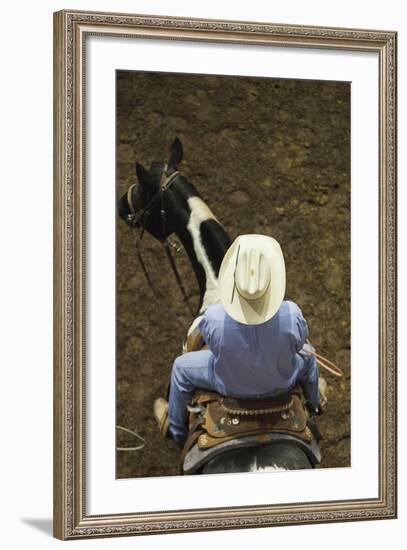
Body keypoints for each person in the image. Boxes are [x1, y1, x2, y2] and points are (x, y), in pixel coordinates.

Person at [154, 234, 320, 447]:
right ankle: (314, 406)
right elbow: (298, 345)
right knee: (310, 356)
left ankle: (176, 430)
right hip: (281, 382)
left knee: (180, 368)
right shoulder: (292, 313)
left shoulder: (214, 318)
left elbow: (211, 348)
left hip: (228, 385)